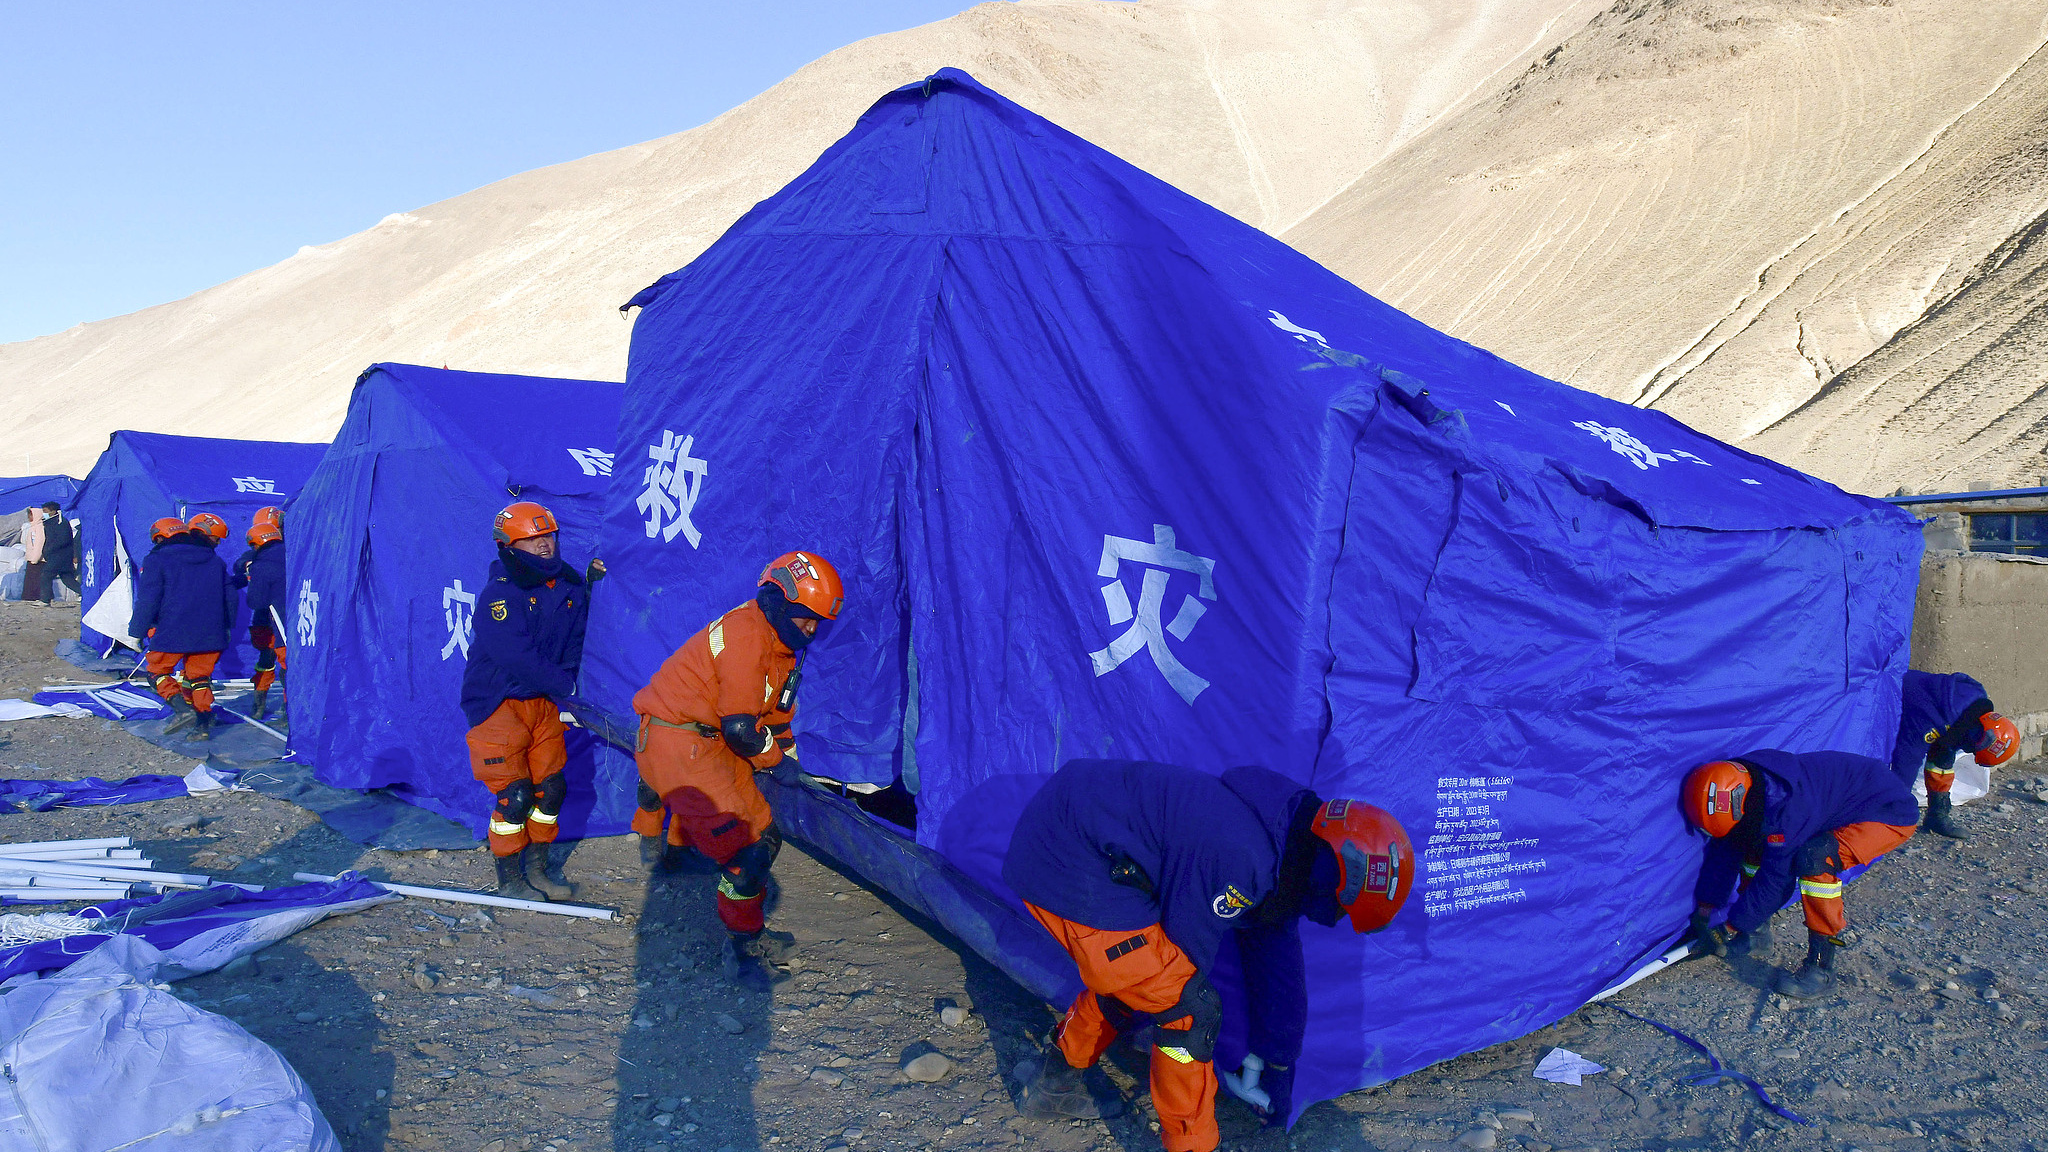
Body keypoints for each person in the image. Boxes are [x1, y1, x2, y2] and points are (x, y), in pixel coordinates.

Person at [1002, 759, 1414, 1152]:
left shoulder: (1289, 842)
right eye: (1342, 910)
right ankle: (1191, 1143)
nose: (1335, 918)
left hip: (1071, 832)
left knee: (1146, 977)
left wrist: (1278, 1061)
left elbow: (1276, 954)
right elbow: (1183, 969)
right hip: (1066, 860)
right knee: (1184, 1008)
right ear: (1337, 884)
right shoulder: (1244, 858)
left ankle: (1053, 1082)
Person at [632, 551, 844, 985]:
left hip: (697, 740)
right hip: (684, 741)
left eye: (817, 621)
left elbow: (774, 717)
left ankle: (673, 856)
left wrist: (790, 760)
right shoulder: (748, 634)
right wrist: (777, 764)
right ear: (780, 601)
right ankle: (743, 947)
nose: (811, 628)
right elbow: (743, 730)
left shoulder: (777, 644)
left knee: (762, 830)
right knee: (750, 848)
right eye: (805, 616)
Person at [1681, 751, 1918, 999]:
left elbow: (1777, 882)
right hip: (1842, 800)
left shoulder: (1788, 809)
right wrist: (1705, 910)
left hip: (1888, 811)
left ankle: (1821, 969)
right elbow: (1726, 851)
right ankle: (1756, 935)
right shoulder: (1747, 785)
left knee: (1816, 860)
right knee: (1751, 842)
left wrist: (1728, 927)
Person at [459, 501, 599, 902]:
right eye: (532, 539)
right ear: (510, 545)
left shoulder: (567, 584)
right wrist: (565, 685)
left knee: (551, 789)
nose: (543, 545)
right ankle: (510, 876)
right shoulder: (500, 594)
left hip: (540, 701)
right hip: (498, 700)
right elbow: (514, 655)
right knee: (515, 795)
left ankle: (537, 868)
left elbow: (576, 635)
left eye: (547, 536)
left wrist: (592, 588)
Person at [130, 514, 237, 741]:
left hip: (172, 629)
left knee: (157, 672)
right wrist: (227, 626)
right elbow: (231, 597)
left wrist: (136, 631)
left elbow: (148, 599)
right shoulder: (214, 560)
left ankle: (182, 710)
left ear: (160, 538)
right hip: (211, 631)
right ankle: (203, 724)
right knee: (199, 677)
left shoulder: (156, 560)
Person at [1891, 670, 2018, 839]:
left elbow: (1943, 754)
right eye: (1974, 747)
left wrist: (1939, 811)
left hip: (1907, 699)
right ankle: (1883, 821)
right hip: (1882, 695)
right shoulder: (1933, 719)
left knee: (1944, 756)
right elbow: (1906, 762)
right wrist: (1896, 810)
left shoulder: (1968, 710)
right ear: (1982, 731)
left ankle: (1937, 816)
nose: (1968, 750)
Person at [235, 517, 289, 720]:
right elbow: (240, 563)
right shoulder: (290, 552)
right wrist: (247, 565)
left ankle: (266, 706)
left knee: (275, 662)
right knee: (276, 662)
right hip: (275, 619)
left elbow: (255, 600)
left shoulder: (264, 559)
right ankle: (273, 706)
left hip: (272, 618)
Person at [36, 503, 77, 605]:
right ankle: (85, 594)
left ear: (53, 511)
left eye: (45, 511)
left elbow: (63, 540)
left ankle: (45, 599)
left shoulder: (61, 523)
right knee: (67, 579)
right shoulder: (49, 523)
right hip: (56, 556)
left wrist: (49, 549)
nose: (43, 514)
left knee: (46, 575)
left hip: (59, 556)